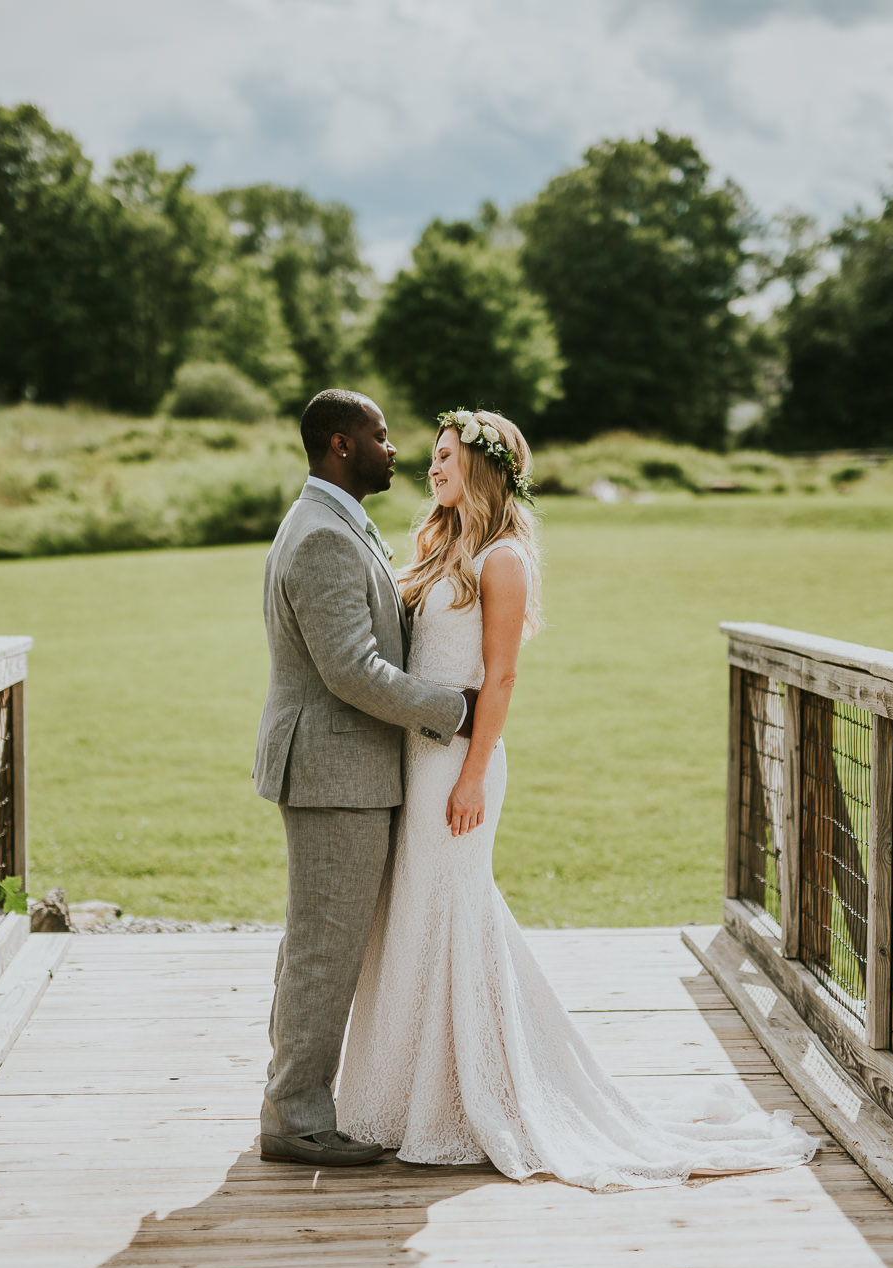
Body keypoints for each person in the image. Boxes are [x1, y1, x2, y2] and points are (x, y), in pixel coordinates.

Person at [336, 407, 818, 1190]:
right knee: (420, 914)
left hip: (460, 763)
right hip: (413, 762)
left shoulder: (501, 559)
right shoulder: (441, 543)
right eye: (432, 456)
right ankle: (413, 1095)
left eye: (447, 456)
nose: (432, 468)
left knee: (456, 911)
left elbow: (501, 678)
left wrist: (468, 774)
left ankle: (478, 1095)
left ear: (484, 466)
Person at [251, 389, 476, 1167]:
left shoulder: (337, 521)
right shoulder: (321, 535)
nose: (394, 448)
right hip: (333, 769)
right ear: (342, 445)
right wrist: (454, 710)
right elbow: (351, 668)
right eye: (381, 437)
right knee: (323, 948)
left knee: (316, 943)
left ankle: (294, 1099)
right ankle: (297, 1118)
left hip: (342, 767)